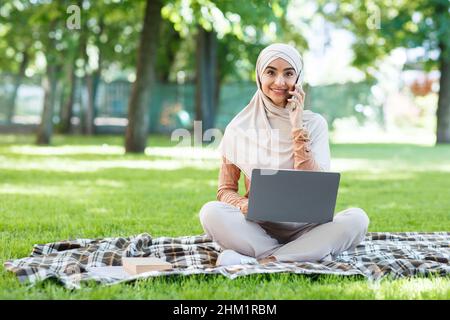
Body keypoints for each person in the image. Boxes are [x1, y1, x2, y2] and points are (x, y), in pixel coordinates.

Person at [199, 43, 369, 266]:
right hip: (258, 228)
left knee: (357, 219)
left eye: (288, 73)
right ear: (259, 76)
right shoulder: (239, 128)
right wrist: (243, 205)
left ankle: (264, 260)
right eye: (271, 72)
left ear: (298, 78)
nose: (280, 82)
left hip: (309, 228)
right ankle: (304, 254)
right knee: (210, 212)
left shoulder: (314, 124)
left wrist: (297, 126)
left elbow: (314, 184)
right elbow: (225, 190)